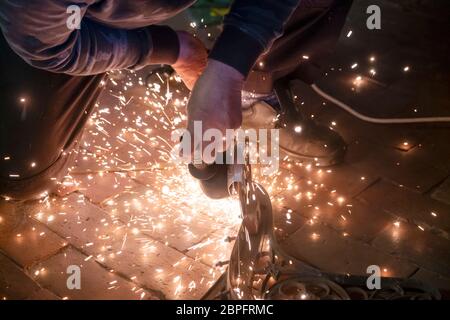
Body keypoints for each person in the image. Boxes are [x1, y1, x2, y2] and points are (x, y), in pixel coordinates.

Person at [0, 0, 352, 201]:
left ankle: (254, 93)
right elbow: (49, 46)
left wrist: (232, 63)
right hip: (68, 22)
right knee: (22, 172)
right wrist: (172, 49)